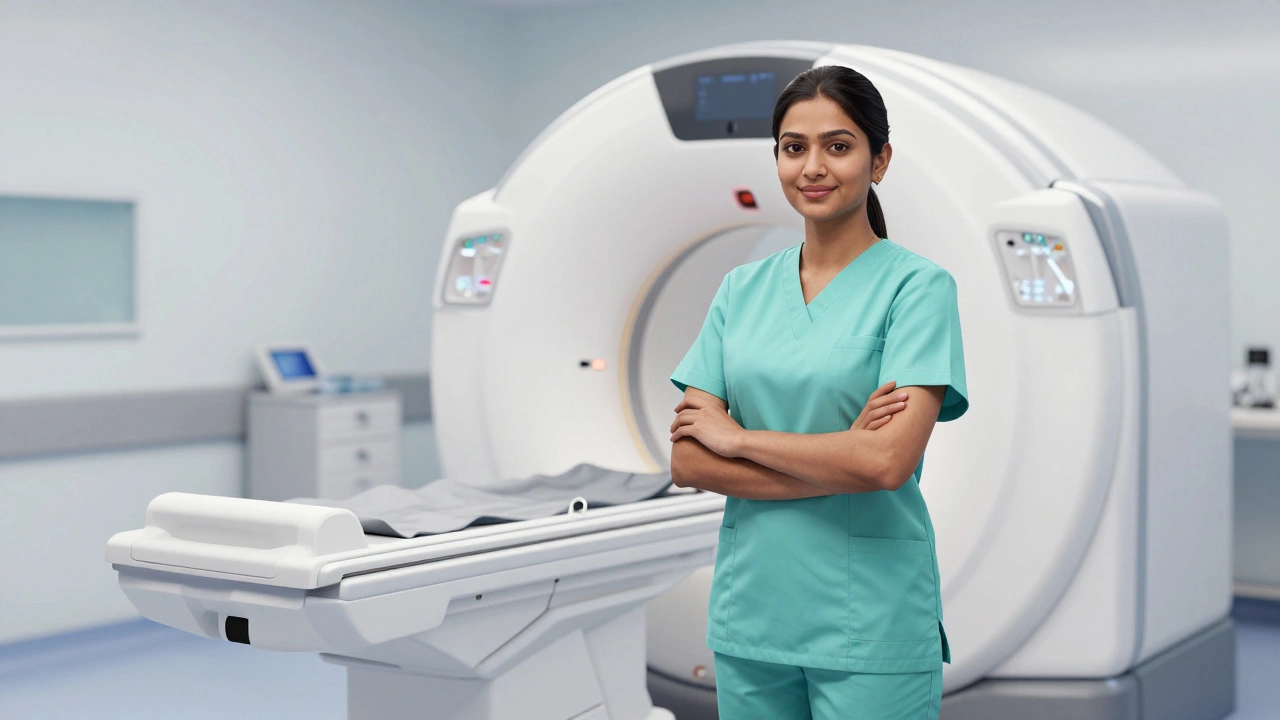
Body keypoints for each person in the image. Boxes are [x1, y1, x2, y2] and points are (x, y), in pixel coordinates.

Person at [667, 64, 969, 720]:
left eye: (838, 146)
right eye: (794, 148)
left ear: (878, 160)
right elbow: (688, 461)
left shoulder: (918, 290)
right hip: (754, 612)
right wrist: (842, 457)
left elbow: (886, 463)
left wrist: (739, 439)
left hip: (869, 613)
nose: (813, 166)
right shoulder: (739, 292)